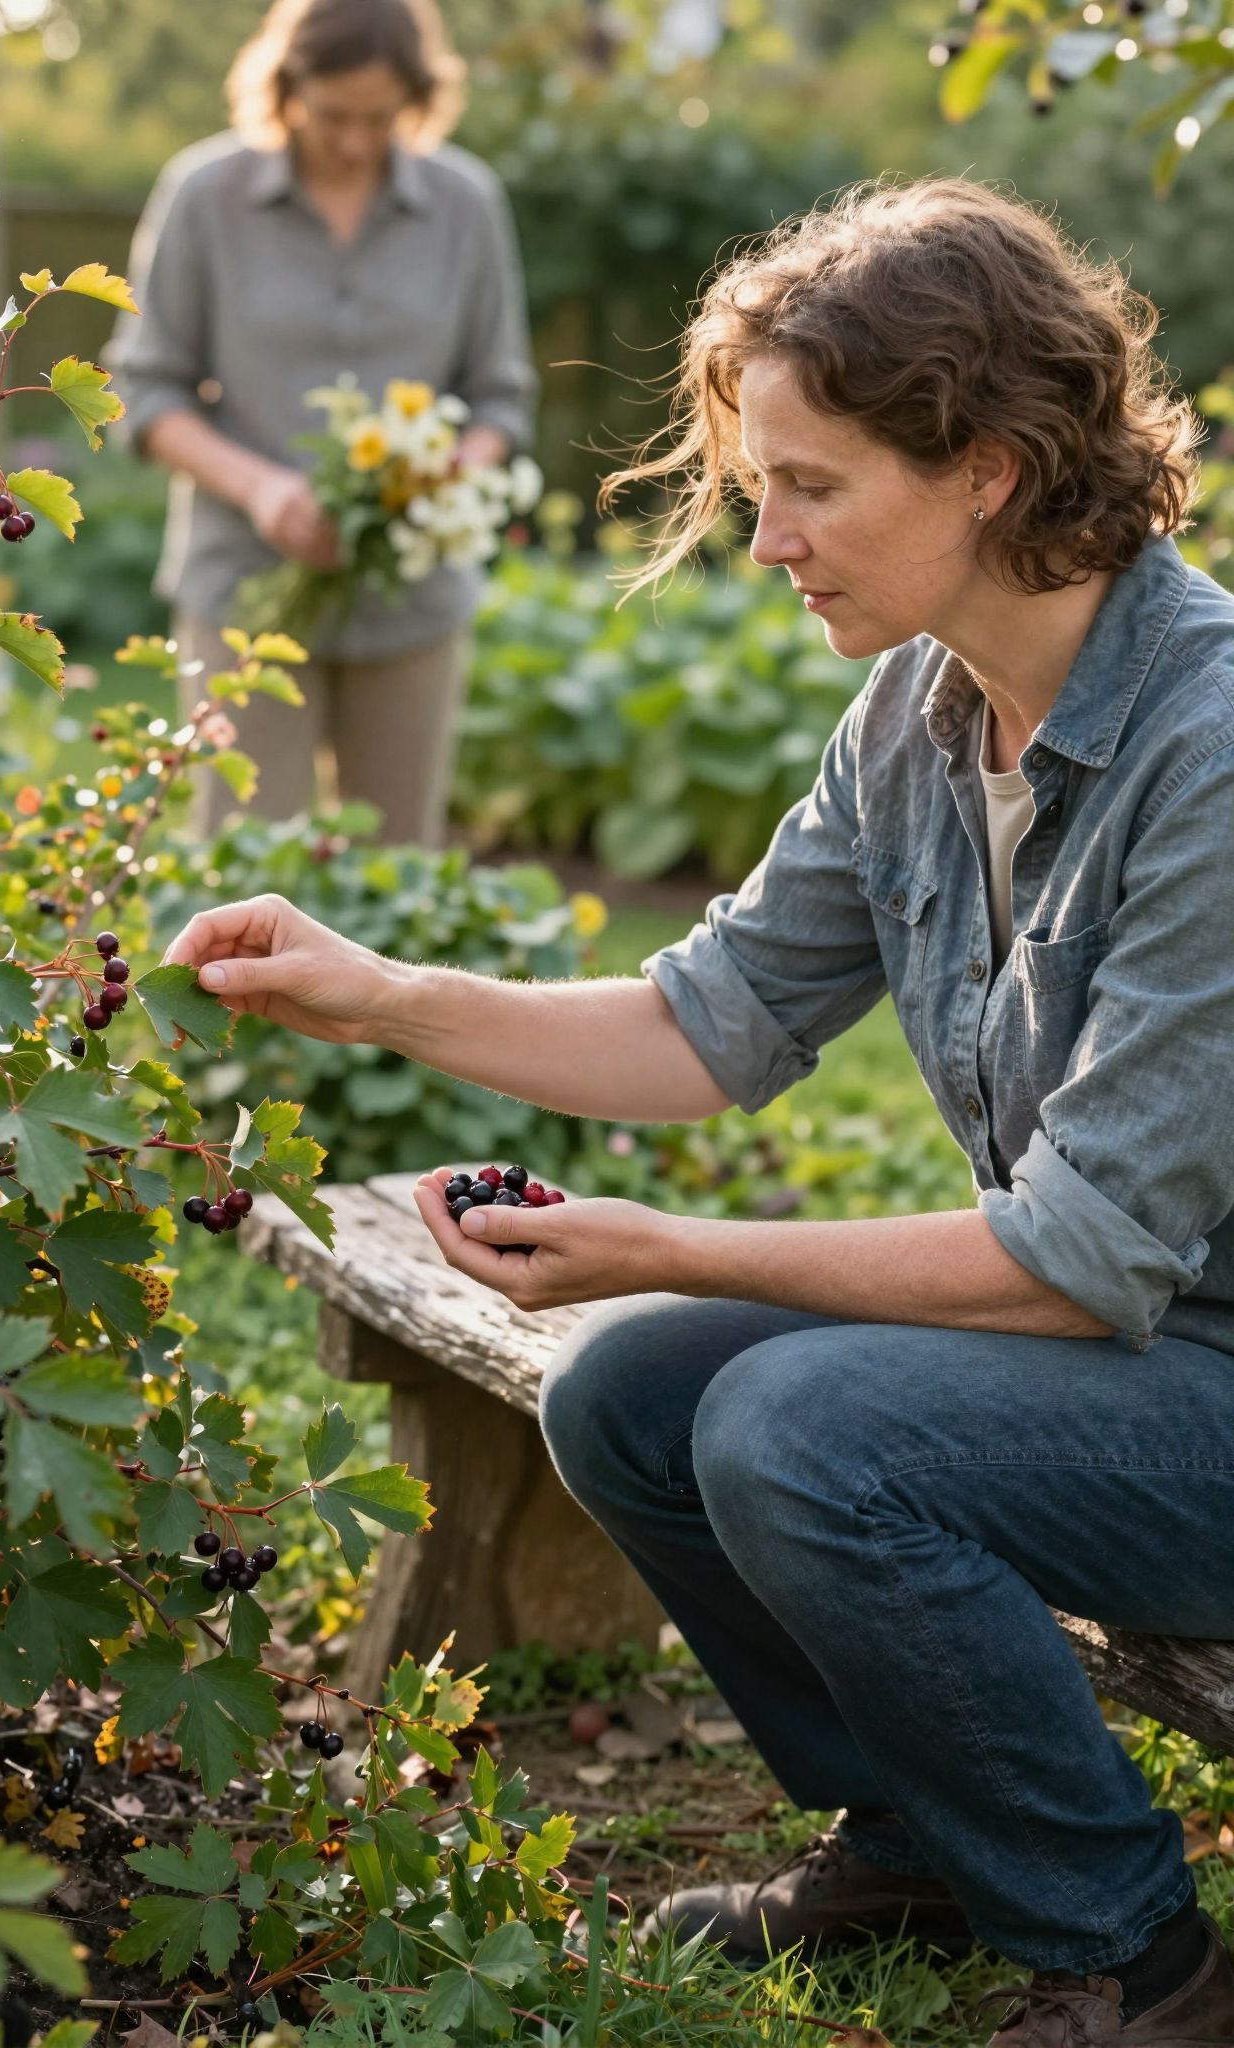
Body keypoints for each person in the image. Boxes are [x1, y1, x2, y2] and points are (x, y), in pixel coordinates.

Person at [162, 175, 1234, 2046]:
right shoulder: (918, 708)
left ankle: (1138, 1953)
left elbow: (1076, 1263)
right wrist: (382, 988)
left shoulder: (1210, 750)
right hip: (1142, 1368)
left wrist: (658, 1245)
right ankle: (912, 1823)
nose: (766, 538)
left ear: (984, 465)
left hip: (1199, 1385)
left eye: (809, 486)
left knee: (802, 1428)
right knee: (628, 1388)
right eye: (758, 483)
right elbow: (710, 1016)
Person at [107, 0, 536, 848]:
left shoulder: (466, 204)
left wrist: (444, 476)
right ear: (286, 86)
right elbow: (144, 390)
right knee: (242, 864)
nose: (353, 141)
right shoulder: (206, 196)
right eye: (333, 114)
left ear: (417, 98)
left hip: (411, 598)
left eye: (379, 119)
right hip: (244, 590)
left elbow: (501, 396)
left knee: (398, 872)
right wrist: (263, 489)